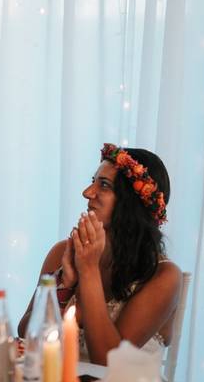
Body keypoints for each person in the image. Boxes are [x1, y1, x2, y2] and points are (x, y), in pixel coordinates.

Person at [17, 144, 183, 365]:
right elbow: (26, 332)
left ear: (132, 202)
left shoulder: (164, 277)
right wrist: (65, 288)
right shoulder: (61, 252)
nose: (87, 192)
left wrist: (88, 270)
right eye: (93, 181)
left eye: (103, 185)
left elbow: (108, 363)